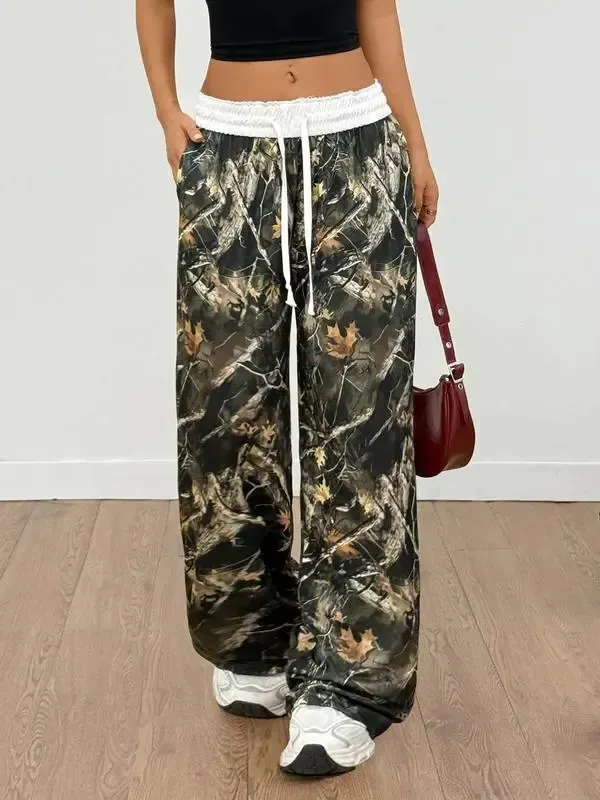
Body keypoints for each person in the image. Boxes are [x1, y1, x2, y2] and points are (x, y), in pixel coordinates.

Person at [136, 0, 438, 777]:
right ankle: (255, 641)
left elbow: (376, 8)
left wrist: (413, 141)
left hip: (356, 140)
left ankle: (348, 686)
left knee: (359, 420)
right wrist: (166, 110)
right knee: (224, 410)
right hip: (228, 146)